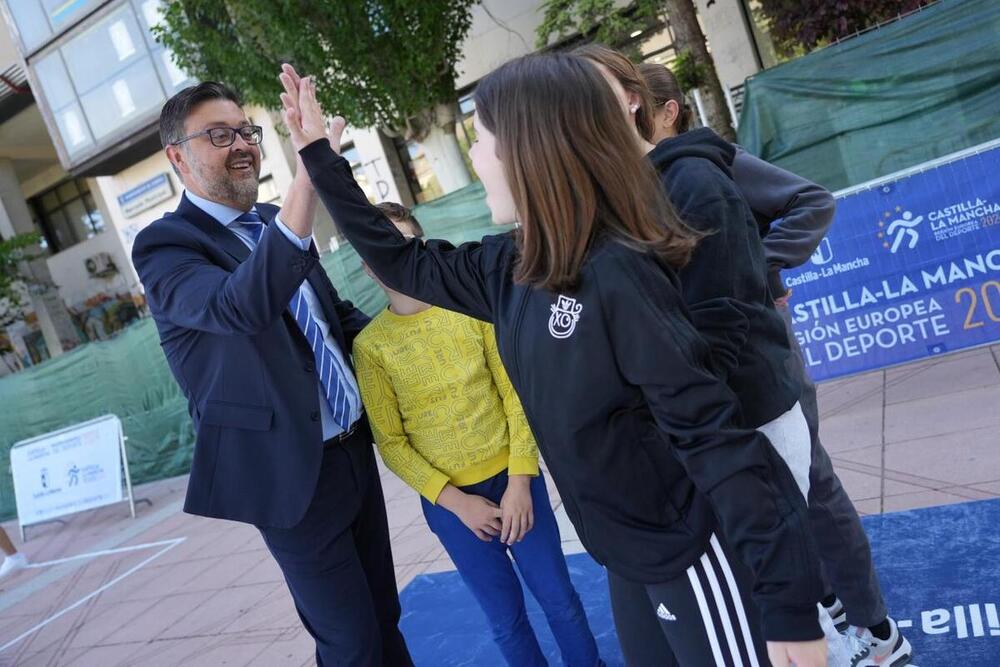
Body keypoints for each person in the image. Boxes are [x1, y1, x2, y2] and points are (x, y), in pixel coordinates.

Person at [279, 59, 828, 667]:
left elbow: (716, 437)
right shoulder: (512, 265)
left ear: (529, 149)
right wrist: (318, 158)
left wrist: (789, 607)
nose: (476, 157)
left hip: (693, 554)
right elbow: (404, 262)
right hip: (625, 553)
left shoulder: (616, 274)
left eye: (481, 140)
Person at [639, 60, 914, 667]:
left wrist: (756, 266)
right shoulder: (633, 183)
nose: (624, 120)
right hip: (704, 359)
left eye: (637, 108)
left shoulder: (704, 164)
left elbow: (811, 201)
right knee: (764, 496)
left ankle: (877, 629)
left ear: (668, 111)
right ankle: (824, 606)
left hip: (762, 351)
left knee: (811, 483)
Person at [131, 82, 411, 667]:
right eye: (218, 135)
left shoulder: (270, 221)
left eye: (247, 132)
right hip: (290, 476)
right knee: (351, 643)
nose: (241, 145)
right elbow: (240, 306)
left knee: (386, 618)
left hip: (354, 450)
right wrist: (310, 173)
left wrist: (418, 331)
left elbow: (333, 321)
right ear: (177, 156)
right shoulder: (164, 246)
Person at [353, 202, 602, 666]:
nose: (391, 256)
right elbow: (391, 444)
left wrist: (521, 482)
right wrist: (457, 503)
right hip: (452, 509)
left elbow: (515, 394)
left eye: (402, 244)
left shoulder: (469, 311)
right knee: (505, 621)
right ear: (366, 265)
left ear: (420, 247)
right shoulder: (371, 347)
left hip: (516, 485)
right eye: (378, 248)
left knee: (560, 601)